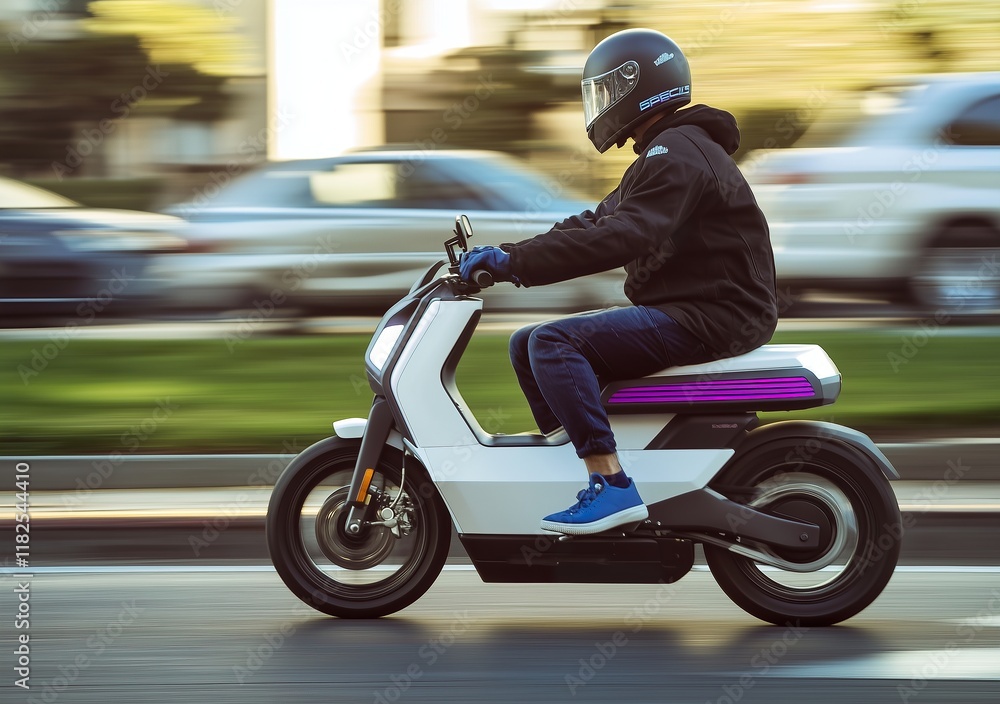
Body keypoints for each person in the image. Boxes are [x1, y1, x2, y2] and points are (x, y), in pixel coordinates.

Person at [459, 28, 778, 535]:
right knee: (525, 344)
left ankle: (611, 486)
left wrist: (514, 265)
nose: (600, 104)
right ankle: (591, 471)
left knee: (553, 344)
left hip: (714, 315)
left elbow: (625, 235)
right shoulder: (665, 152)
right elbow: (595, 222)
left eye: (607, 90)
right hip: (700, 308)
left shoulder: (678, 151)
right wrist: (509, 256)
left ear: (640, 85)